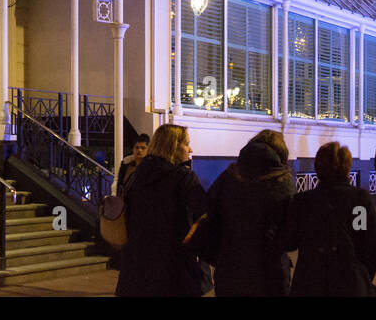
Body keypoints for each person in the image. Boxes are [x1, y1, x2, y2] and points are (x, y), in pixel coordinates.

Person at [281, 142, 376, 296]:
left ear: (318, 168)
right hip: (348, 281)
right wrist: (362, 274)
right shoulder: (358, 200)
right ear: (346, 168)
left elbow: (289, 241)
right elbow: (371, 241)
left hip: (309, 281)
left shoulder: (303, 201)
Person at [115, 123, 207, 297]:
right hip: (173, 269)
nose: (190, 149)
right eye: (186, 144)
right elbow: (204, 215)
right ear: (174, 146)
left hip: (136, 269)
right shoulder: (183, 177)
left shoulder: (137, 176)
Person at [205, 130, 295, 296]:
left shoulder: (229, 176)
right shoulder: (283, 181)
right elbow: (291, 232)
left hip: (230, 266)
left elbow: (209, 213)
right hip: (270, 270)